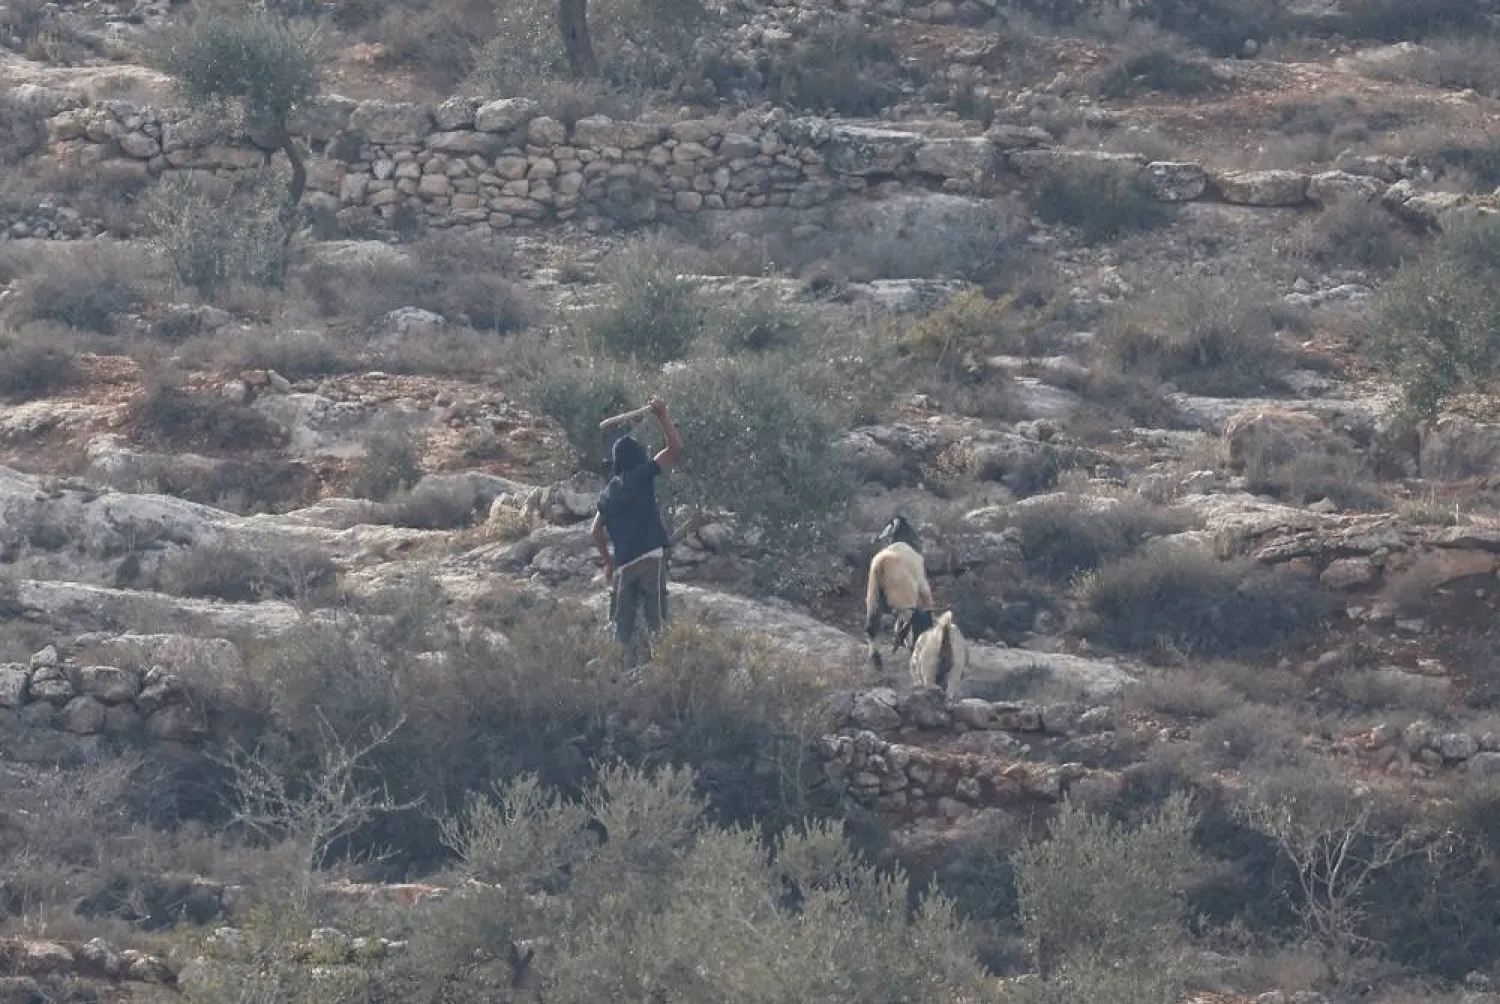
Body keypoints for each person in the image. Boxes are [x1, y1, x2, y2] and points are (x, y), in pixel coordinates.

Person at [591, 395, 683, 668]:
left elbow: (595, 530)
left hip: (624, 564)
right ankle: (662, 670)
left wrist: (608, 563)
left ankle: (618, 671)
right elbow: (675, 449)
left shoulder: (608, 493)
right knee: (656, 621)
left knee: (622, 625)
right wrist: (663, 416)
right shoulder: (642, 474)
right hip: (650, 556)